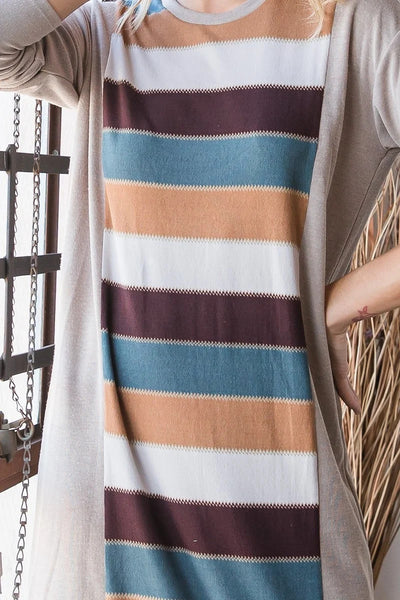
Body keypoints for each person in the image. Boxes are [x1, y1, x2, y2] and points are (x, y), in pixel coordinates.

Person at [0, 0, 399, 598]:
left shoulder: (349, 28)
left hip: (283, 545)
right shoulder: (108, 30)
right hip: (107, 551)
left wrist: (336, 305)